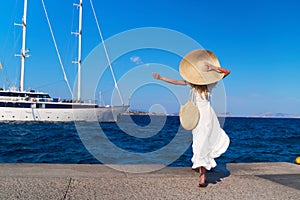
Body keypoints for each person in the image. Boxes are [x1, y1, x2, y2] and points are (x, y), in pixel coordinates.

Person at [152, 49, 230, 187]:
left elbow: (227, 72)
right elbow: (176, 81)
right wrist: (161, 78)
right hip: (197, 116)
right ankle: (200, 166)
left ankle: (203, 175)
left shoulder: (209, 85)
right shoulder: (192, 85)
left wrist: (213, 68)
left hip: (207, 117)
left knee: (203, 142)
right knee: (198, 142)